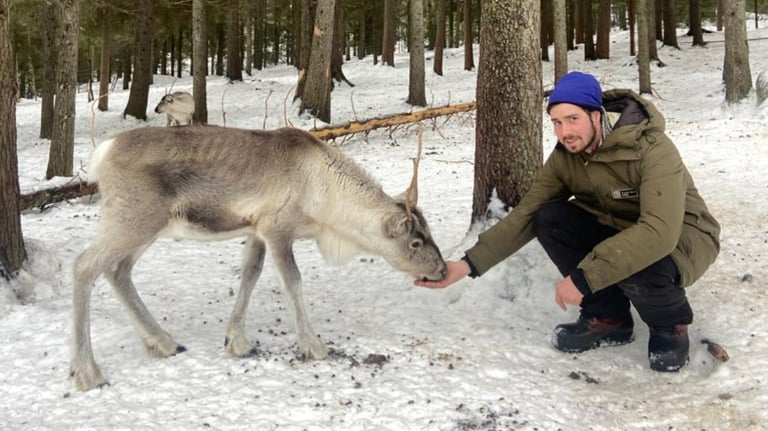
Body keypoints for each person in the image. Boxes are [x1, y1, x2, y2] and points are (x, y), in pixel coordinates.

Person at [416, 71, 720, 372]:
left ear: (596, 115)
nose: (564, 132)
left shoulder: (652, 148)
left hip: (683, 238)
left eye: (573, 119)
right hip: (623, 232)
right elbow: (525, 214)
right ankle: (609, 317)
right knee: (550, 217)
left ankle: (669, 326)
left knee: (636, 254)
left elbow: (658, 232)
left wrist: (584, 278)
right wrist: (468, 265)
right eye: (557, 123)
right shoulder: (565, 158)